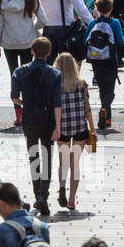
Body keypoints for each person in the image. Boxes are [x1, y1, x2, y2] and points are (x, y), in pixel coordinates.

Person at [11, 36, 63, 216]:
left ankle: (36, 193)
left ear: (31, 51)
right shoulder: (55, 74)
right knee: (47, 155)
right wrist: (58, 127)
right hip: (48, 117)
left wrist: (25, 103)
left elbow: (14, 96)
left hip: (30, 117)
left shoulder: (20, 71)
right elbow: (58, 103)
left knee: (33, 155)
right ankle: (43, 195)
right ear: (49, 53)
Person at [0, 0, 47, 125]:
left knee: (14, 76)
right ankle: (29, 112)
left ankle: (18, 115)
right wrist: (33, 28)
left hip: (9, 43)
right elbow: (43, 19)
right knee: (29, 78)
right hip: (27, 41)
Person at [54, 51, 95, 211]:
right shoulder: (82, 83)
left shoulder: (55, 84)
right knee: (75, 163)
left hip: (63, 126)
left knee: (63, 161)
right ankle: (71, 200)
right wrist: (93, 129)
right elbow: (87, 108)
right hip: (79, 127)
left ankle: (62, 186)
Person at [85, 0, 124, 131]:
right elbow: (121, 42)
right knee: (110, 90)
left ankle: (107, 118)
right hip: (110, 61)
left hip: (96, 61)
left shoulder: (92, 23)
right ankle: (105, 109)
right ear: (111, 8)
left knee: (102, 88)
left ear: (97, 8)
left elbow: (86, 40)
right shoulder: (115, 23)